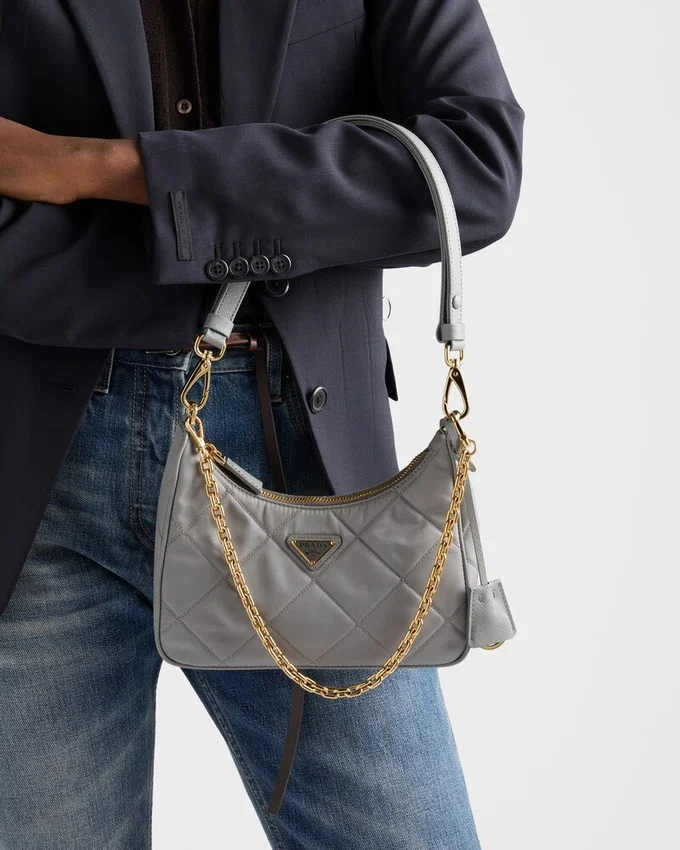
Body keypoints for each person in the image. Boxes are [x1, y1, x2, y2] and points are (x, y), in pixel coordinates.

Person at [0, 0, 524, 847]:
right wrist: (256, 214)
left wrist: (103, 170)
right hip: (35, 474)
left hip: (307, 464)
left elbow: (475, 168)